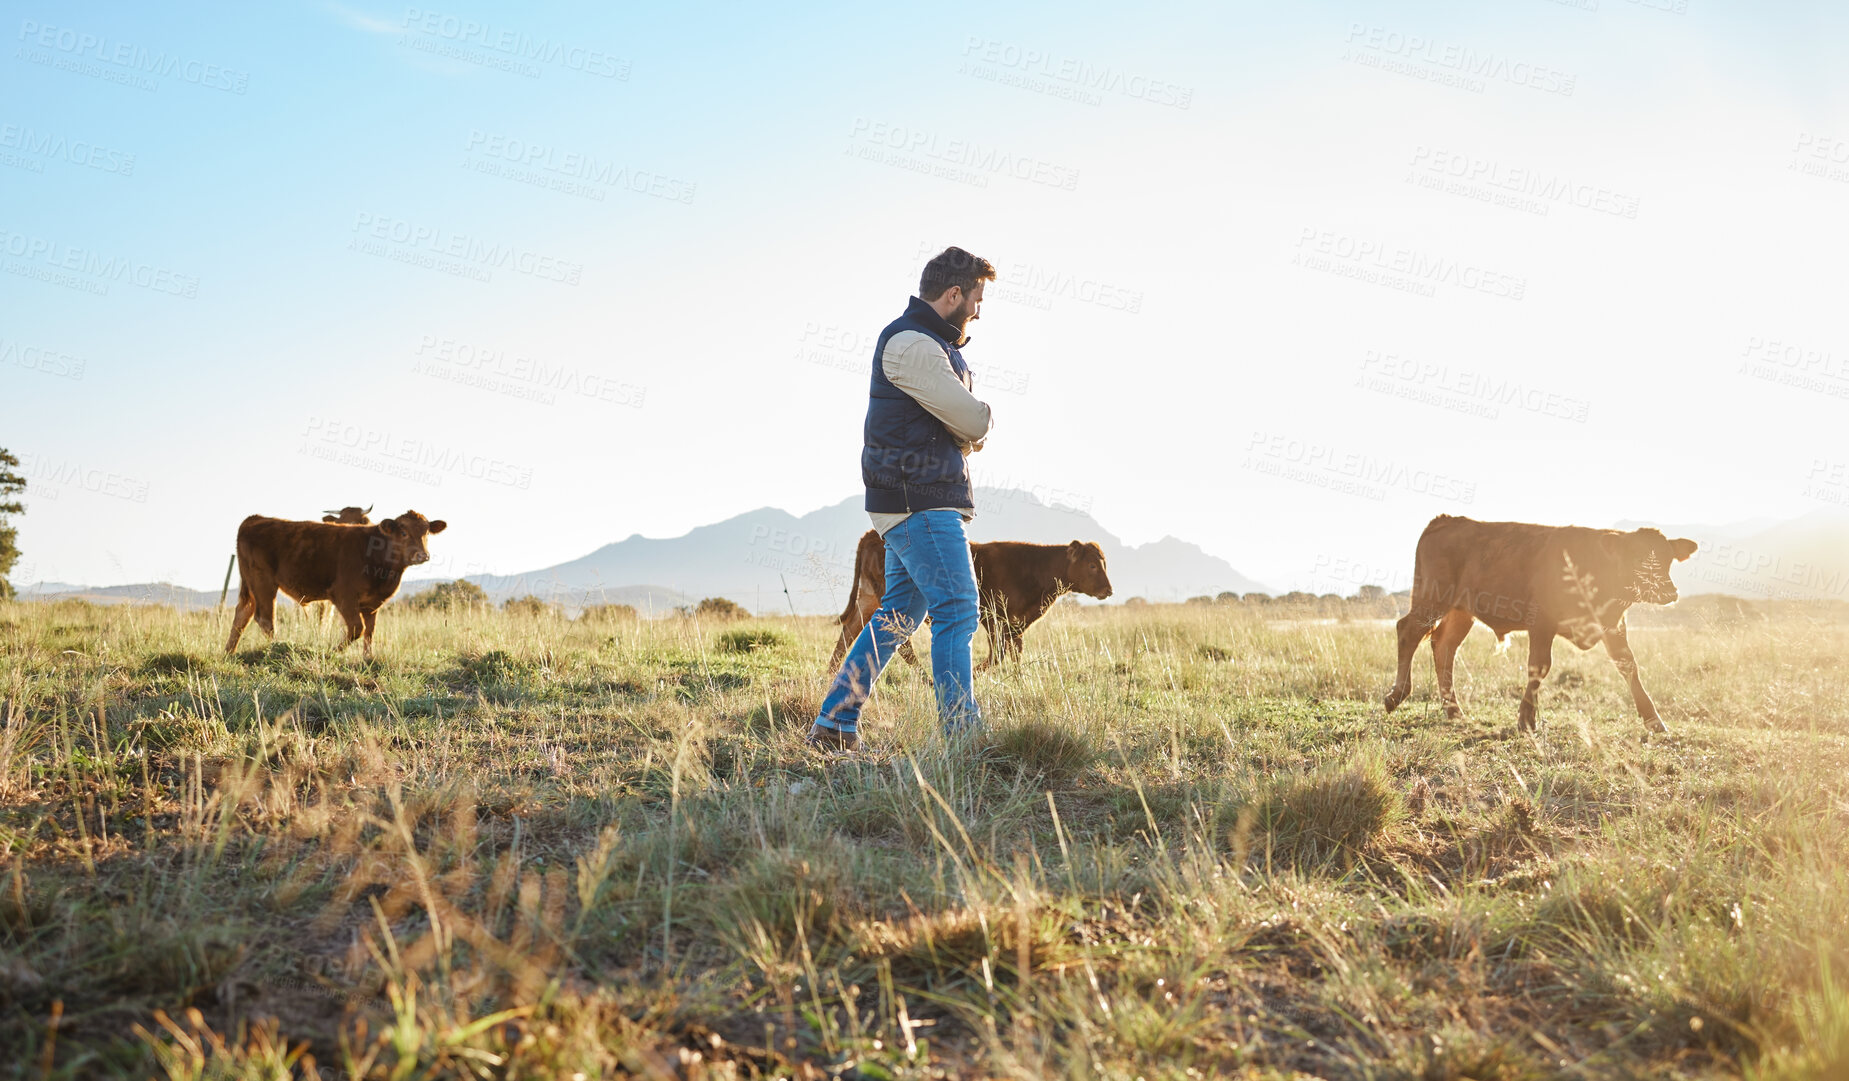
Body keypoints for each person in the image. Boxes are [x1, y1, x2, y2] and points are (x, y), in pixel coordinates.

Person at [807, 246, 998, 753]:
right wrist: (976, 421)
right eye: (976, 299)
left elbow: (961, 424)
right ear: (953, 294)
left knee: (899, 615)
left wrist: (964, 424)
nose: (979, 311)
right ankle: (963, 737)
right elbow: (973, 422)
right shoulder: (914, 344)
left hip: (914, 497)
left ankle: (835, 722)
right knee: (958, 609)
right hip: (921, 500)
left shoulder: (929, 344)